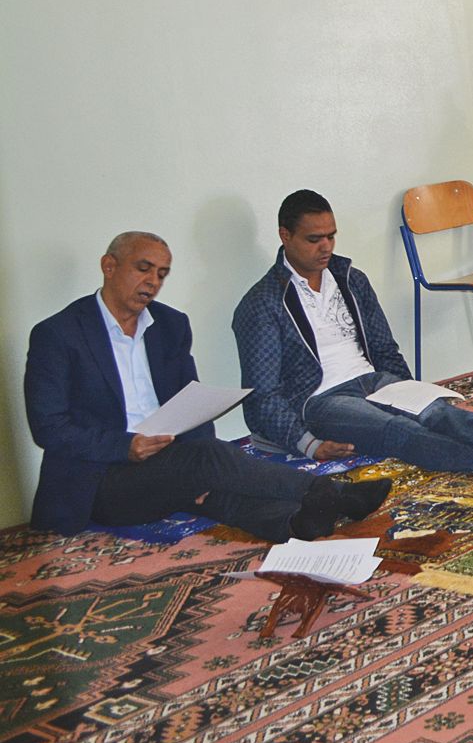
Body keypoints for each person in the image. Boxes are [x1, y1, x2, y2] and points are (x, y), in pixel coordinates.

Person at [25, 231, 391, 540]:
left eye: (162, 274)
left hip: (166, 466)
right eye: (143, 269)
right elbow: (49, 428)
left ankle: (296, 523)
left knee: (214, 482)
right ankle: (330, 492)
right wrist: (126, 446)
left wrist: (198, 467)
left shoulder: (169, 326)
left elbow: (191, 403)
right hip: (101, 480)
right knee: (207, 459)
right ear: (109, 266)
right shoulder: (58, 334)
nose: (153, 282)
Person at [235, 190, 473, 477]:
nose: (326, 247)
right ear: (285, 236)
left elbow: (384, 347)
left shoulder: (351, 280)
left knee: (433, 411)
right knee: (397, 429)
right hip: (321, 399)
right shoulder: (262, 303)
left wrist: (408, 389)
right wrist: (308, 444)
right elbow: (262, 396)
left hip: (371, 380)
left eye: (331, 236)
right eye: (314, 239)